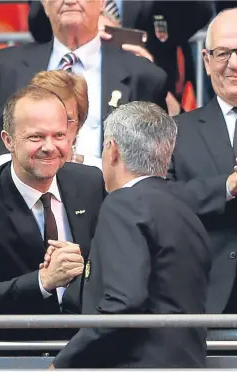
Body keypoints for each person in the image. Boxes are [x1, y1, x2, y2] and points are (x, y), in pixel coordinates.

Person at [49, 101, 211, 368]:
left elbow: (123, 302)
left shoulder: (123, 203)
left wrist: (64, 362)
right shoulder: (187, 212)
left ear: (112, 150)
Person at [0, 85, 105, 346]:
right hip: (8, 350)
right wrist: (43, 281)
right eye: (36, 137)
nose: (50, 147)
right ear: (8, 140)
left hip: (81, 346)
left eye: (59, 135)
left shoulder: (91, 183)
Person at [0, 0, 169, 174]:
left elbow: (159, 157)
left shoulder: (141, 74)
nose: (70, 1)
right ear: (44, 4)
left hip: (109, 202)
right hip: (24, 202)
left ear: (102, 3)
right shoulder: (7, 68)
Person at [168, 8, 237, 314]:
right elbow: (160, 200)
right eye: (223, 52)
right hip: (202, 294)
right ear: (206, 60)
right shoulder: (176, 130)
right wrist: (226, 186)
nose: (234, 63)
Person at [28, 0, 213, 112]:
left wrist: (148, 73)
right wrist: (86, 24)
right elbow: (37, 20)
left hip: (148, 92)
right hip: (74, 77)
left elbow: (199, 12)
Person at [0, 70, 94, 173]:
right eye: (44, 118)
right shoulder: (2, 168)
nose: (55, 127)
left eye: (66, 119)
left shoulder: (97, 174)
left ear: (79, 124)